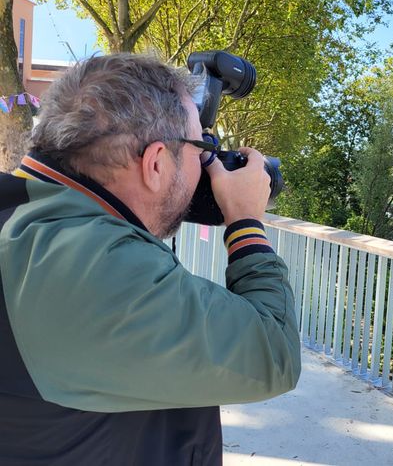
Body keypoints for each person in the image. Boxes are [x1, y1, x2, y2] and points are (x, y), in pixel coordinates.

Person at [0, 54, 301, 465]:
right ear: (156, 163)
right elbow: (274, 354)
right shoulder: (99, 271)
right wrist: (245, 221)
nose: (209, 163)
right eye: (202, 148)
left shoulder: (25, 221)